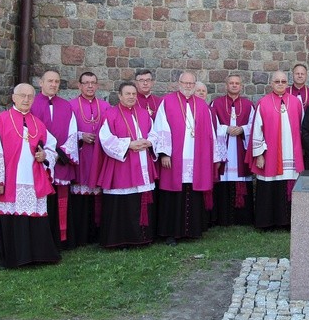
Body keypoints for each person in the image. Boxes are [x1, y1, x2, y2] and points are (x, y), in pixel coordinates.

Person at [0, 83, 61, 268]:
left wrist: (45, 155)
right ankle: (12, 259)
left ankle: (35, 256)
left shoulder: (37, 123)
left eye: (30, 96)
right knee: (10, 218)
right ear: (13, 97)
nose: (26, 100)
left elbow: (51, 146)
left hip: (32, 179)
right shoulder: (0, 121)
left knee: (32, 218)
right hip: (8, 180)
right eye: (22, 95)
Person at [151, 71, 219, 244]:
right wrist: (165, 153)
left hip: (197, 157)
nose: (188, 86)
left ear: (195, 85)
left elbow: (211, 134)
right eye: (185, 83)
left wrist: (214, 157)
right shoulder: (167, 101)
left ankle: (192, 230)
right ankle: (171, 233)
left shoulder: (202, 105)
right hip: (174, 157)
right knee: (173, 195)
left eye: (191, 83)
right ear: (178, 83)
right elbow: (161, 128)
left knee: (193, 193)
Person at [92, 82, 158, 248]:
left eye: (133, 94)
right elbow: (106, 139)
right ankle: (118, 240)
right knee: (121, 203)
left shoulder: (144, 114)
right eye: (127, 94)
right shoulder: (110, 114)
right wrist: (129, 145)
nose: (131, 97)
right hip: (120, 166)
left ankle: (142, 238)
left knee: (139, 200)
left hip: (142, 161)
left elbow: (155, 134)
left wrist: (148, 142)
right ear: (119, 96)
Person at [248, 70, 304, 229]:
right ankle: (266, 222)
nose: (280, 84)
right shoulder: (264, 102)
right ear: (271, 83)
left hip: (291, 153)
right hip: (270, 154)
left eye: (283, 81)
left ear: (287, 83)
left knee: (288, 184)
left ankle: (287, 222)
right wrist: (259, 154)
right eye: (277, 81)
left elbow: (302, 127)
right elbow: (257, 130)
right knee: (269, 185)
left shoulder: (295, 102)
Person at [30, 69, 79, 249]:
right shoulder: (31, 105)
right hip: (38, 161)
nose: (53, 84)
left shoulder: (66, 106)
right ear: (41, 83)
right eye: (50, 81)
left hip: (60, 162)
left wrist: (58, 154)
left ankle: (61, 239)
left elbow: (73, 135)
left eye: (57, 81)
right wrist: (42, 155)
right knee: (41, 201)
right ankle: (39, 241)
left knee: (60, 202)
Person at [68, 71, 110, 246]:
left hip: (99, 156)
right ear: (79, 85)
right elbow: (66, 131)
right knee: (81, 198)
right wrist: (80, 135)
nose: (90, 86)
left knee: (98, 197)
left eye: (93, 82)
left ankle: (98, 232)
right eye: (86, 83)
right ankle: (81, 234)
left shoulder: (106, 106)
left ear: (97, 85)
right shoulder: (70, 106)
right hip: (81, 155)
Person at [210, 74, 255, 226]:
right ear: (226, 85)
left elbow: (254, 126)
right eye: (231, 83)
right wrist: (226, 129)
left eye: (237, 83)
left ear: (241, 86)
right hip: (224, 149)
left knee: (241, 179)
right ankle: (223, 218)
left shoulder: (249, 105)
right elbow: (211, 126)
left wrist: (242, 129)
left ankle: (242, 218)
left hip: (240, 149)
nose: (234, 85)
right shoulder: (216, 104)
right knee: (224, 180)